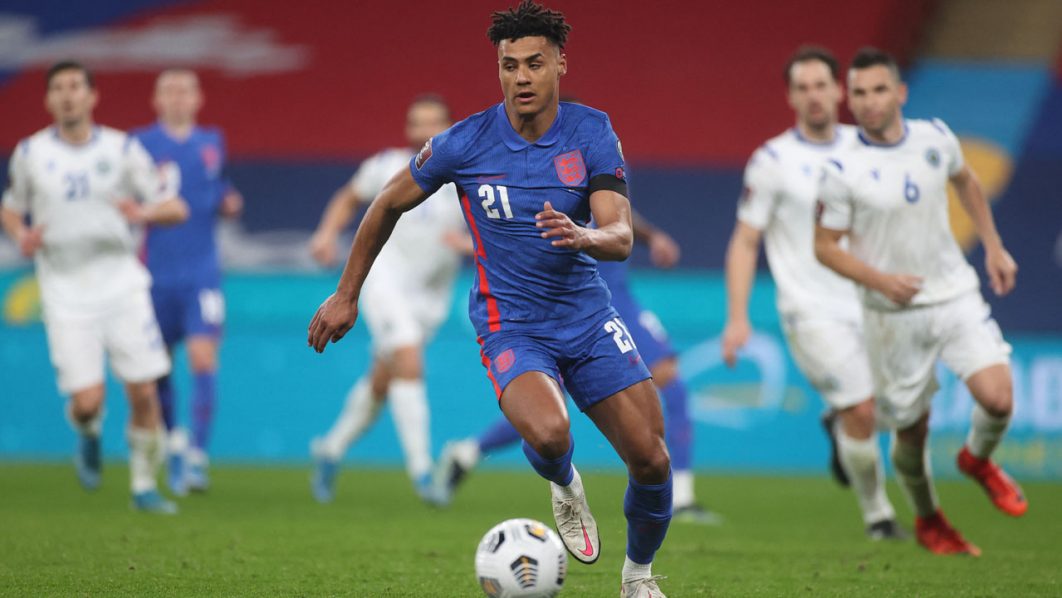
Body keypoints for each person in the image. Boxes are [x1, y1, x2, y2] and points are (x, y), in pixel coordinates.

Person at [306, 3, 671, 595]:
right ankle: (564, 483)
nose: (521, 77)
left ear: (560, 64)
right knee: (550, 435)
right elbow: (385, 202)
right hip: (511, 325)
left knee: (651, 459)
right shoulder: (465, 142)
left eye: (534, 63)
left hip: (586, 317)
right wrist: (346, 295)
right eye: (509, 65)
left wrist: (584, 236)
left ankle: (638, 578)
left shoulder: (592, 131)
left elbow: (621, 234)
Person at [815, 47, 1026, 556]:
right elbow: (824, 246)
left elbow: (967, 181)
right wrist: (880, 280)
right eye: (859, 93)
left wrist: (994, 246)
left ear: (900, 93)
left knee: (998, 398)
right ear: (850, 99)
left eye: (879, 90)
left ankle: (977, 459)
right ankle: (930, 520)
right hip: (892, 315)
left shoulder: (935, 138)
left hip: (953, 294)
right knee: (912, 432)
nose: (869, 101)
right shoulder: (842, 168)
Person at [721, 46, 903, 539]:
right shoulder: (773, 160)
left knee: (893, 410)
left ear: (839, 89)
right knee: (861, 409)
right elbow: (745, 240)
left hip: (872, 301)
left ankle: (839, 426)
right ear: (791, 97)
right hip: (810, 307)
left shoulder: (868, 148)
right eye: (802, 88)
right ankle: (879, 517)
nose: (814, 95)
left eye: (821, 85)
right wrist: (737, 317)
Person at [435, 210, 719, 524]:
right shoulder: (545, 183)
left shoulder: (603, 180)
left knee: (671, 384)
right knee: (546, 410)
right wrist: (473, 244)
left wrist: (652, 237)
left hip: (615, 300)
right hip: (573, 305)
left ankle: (681, 496)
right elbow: (521, 225)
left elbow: (616, 212)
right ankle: (469, 452)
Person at [0, 61, 189, 513]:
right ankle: (87, 431)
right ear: (48, 100)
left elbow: (175, 207)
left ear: (92, 96)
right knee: (88, 402)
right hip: (64, 289)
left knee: (144, 390)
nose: (68, 95)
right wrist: (20, 234)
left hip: (121, 282)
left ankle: (143, 486)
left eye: (75, 87)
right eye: (59, 89)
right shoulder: (30, 154)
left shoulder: (123, 149)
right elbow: (10, 207)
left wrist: (143, 213)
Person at [306, 95, 466, 505]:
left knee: (384, 379)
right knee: (408, 359)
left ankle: (330, 449)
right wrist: (327, 233)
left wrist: (469, 245)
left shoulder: (465, 173)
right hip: (384, 281)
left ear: (449, 127)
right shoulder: (385, 165)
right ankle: (423, 473)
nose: (423, 130)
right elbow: (348, 197)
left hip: (431, 294)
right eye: (417, 122)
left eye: (433, 122)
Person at [133, 69, 243, 494]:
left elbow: (218, 189)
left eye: (185, 91)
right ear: (156, 99)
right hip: (154, 274)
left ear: (198, 99)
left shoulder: (212, 142)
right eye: (170, 91)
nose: (178, 98)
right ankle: (174, 441)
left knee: (202, 357)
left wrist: (229, 201)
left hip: (202, 273)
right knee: (158, 367)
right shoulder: (139, 144)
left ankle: (197, 454)